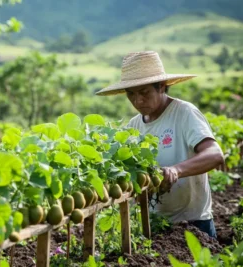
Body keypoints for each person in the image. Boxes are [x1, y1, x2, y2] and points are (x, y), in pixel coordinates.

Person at [95, 51, 224, 238]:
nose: (137, 100)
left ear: (162, 87)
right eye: (131, 94)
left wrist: (176, 170)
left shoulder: (184, 113)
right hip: (154, 225)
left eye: (144, 92)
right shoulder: (134, 126)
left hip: (194, 223)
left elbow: (215, 154)